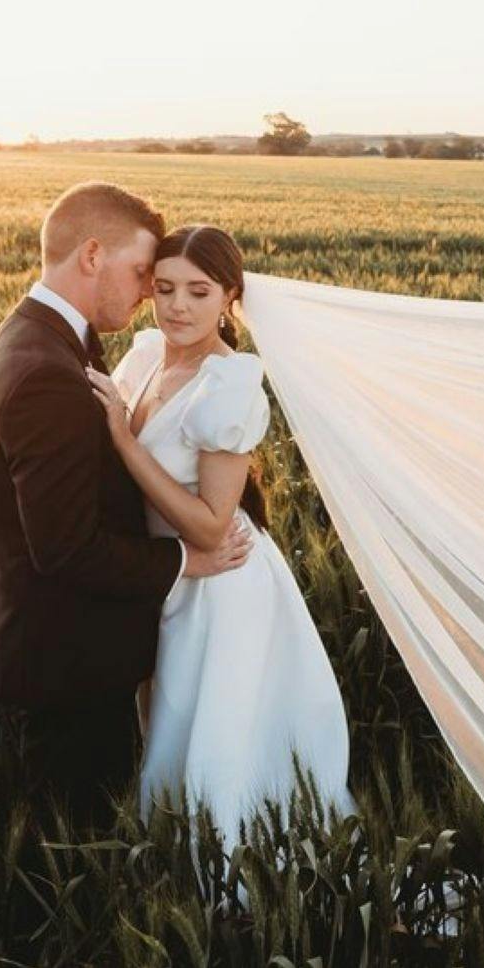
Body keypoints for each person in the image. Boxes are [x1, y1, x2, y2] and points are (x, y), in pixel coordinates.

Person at [0, 183, 253, 830]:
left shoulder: (23, 340)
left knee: (49, 836)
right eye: (143, 273)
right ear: (92, 255)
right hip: (67, 660)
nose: (151, 292)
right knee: (66, 848)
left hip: (46, 646)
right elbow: (65, 548)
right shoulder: (46, 372)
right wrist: (185, 560)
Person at [86, 224, 355, 845]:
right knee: (169, 722)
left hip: (221, 586)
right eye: (165, 288)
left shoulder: (228, 386)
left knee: (214, 739)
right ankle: (171, 860)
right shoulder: (148, 355)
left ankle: (227, 877)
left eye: (199, 292)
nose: (178, 306)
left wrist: (125, 442)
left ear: (230, 296)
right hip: (168, 575)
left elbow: (212, 525)